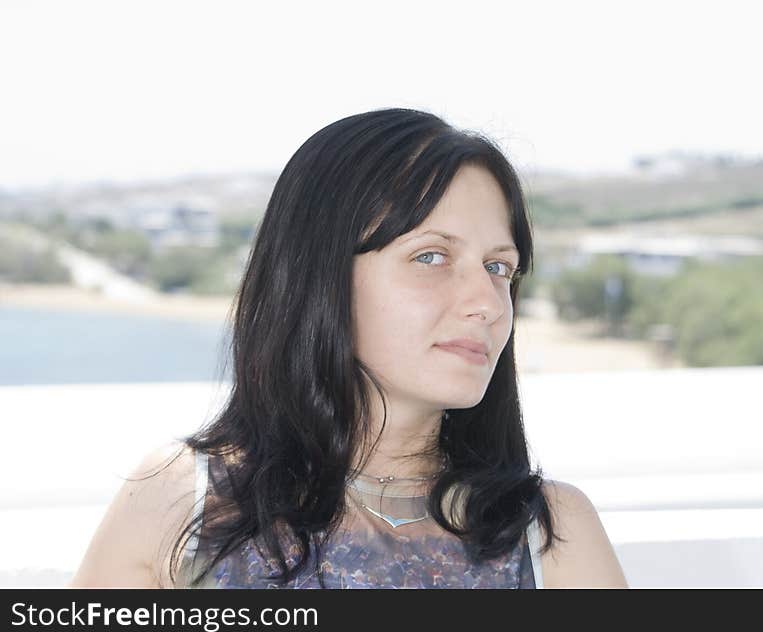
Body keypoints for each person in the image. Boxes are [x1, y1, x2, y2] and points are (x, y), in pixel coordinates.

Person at [70, 108, 628, 589]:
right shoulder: (185, 500)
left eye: (498, 267)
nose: (486, 302)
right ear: (320, 275)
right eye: (431, 257)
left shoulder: (552, 534)